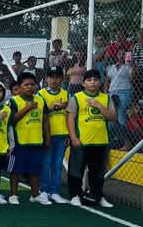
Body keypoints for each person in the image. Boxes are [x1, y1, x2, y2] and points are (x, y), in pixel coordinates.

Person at [67, 69, 116, 208]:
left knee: (98, 172)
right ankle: (75, 195)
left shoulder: (106, 98)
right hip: (82, 141)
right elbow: (70, 118)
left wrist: (99, 106)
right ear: (83, 83)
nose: (92, 82)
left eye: (95, 80)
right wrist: (73, 137)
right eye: (89, 80)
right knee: (76, 170)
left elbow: (113, 117)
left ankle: (97, 196)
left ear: (100, 82)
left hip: (101, 141)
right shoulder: (76, 98)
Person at [7, 72, 52, 205]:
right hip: (19, 142)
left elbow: (45, 120)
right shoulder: (14, 101)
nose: (29, 87)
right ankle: (13, 195)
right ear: (19, 87)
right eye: (26, 85)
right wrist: (27, 108)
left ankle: (35, 194)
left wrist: (47, 137)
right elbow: (12, 120)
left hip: (36, 141)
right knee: (16, 170)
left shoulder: (40, 100)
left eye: (32, 84)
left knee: (35, 170)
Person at [38, 66, 69, 203]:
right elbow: (40, 113)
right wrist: (54, 107)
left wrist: (69, 134)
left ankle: (54, 191)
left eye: (57, 77)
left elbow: (70, 115)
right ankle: (43, 190)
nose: (54, 80)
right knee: (46, 163)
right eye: (51, 77)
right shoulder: (41, 94)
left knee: (57, 164)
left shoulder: (67, 94)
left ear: (62, 79)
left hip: (62, 134)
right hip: (47, 134)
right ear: (47, 78)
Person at [106, 48, 134, 147]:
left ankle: (126, 142)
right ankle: (114, 138)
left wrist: (132, 65)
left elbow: (132, 78)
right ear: (116, 55)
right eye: (119, 54)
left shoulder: (128, 66)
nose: (121, 56)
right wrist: (106, 90)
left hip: (124, 91)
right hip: (112, 92)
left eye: (123, 54)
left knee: (121, 114)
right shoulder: (112, 67)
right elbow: (108, 79)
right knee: (111, 115)